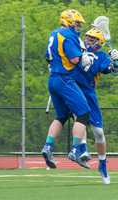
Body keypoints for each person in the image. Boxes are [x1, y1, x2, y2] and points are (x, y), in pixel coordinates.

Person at [42, 9, 93, 169]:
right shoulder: (69, 35)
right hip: (65, 79)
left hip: (53, 79)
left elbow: (48, 57)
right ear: (68, 21)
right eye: (77, 23)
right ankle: (76, 150)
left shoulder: (54, 33)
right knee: (84, 114)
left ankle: (48, 147)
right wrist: (85, 60)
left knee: (62, 116)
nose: (78, 26)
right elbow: (75, 59)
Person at [72, 27, 118, 184]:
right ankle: (82, 149)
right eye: (88, 37)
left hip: (89, 92)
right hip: (73, 89)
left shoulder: (101, 56)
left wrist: (115, 60)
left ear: (100, 43)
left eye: (92, 39)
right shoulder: (77, 49)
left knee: (98, 132)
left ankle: (103, 164)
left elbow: (112, 70)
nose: (88, 40)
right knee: (80, 119)